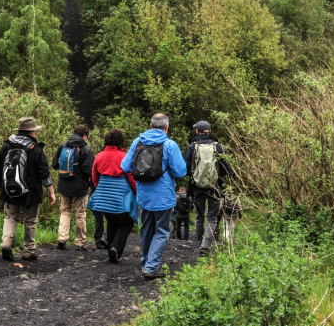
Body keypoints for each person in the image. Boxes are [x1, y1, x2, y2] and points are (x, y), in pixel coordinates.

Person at [121, 113, 187, 280]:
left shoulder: (138, 142)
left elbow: (124, 166)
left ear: (150, 125)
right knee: (163, 231)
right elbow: (180, 171)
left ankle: (146, 264)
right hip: (163, 196)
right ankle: (151, 267)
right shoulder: (170, 145)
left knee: (146, 230)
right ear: (166, 127)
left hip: (143, 196)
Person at [0, 117, 56, 261]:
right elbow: (44, 172)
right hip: (31, 192)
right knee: (30, 221)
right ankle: (28, 251)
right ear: (31, 132)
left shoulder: (7, 145)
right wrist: (51, 191)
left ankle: (6, 243)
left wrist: (0, 186)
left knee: (10, 217)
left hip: (9, 190)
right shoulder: (35, 148)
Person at [87, 128, 138, 263]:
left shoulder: (99, 156)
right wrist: (136, 191)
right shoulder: (124, 157)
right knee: (127, 223)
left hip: (103, 197)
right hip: (121, 196)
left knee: (111, 221)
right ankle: (115, 248)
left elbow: (94, 176)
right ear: (121, 141)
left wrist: (100, 189)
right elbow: (131, 177)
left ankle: (111, 249)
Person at [184, 120, 233, 254]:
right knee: (212, 217)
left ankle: (200, 242)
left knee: (199, 215)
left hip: (197, 187)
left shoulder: (192, 147)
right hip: (215, 187)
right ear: (209, 131)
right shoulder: (218, 147)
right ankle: (205, 245)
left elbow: (186, 168)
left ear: (197, 132)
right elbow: (225, 167)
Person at [52, 124, 94, 250]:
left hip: (63, 186)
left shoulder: (63, 146)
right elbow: (90, 171)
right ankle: (80, 242)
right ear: (84, 136)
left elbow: (55, 165)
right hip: (80, 188)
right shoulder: (86, 150)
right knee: (80, 214)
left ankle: (62, 238)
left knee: (65, 212)